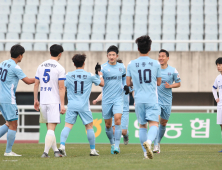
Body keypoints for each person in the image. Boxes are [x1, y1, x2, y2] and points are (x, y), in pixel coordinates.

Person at [59, 54, 104, 156]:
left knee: (67, 126)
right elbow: (102, 83)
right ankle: (92, 150)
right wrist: (99, 74)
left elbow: (61, 87)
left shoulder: (68, 75)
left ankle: (62, 146)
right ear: (84, 63)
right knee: (89, 127)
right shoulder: (89, 75)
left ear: (74, 64)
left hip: (71, 105)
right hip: (84, 105)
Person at [126, 35, 161, 159]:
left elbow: (128, 83)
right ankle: (150, 142)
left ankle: (145, 153)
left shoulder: (131, 64)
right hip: (151, 98)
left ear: (138, 48)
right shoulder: (156, 63)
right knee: (154, 124)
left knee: (142, 125)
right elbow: (158, 82)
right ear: (150, 48)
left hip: (139, 99)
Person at [0, 44, 35, 156]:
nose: (22, 57)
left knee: (8, 123)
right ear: (20, 55)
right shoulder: (15, 67)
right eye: (22, 55)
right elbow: (28, 81)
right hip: (8, 99)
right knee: (14, 124)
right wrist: (40, 78)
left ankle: (8, 151)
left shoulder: (2, 63)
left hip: (1, 97)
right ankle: (8, 151)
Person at [34, 44, 66, 158]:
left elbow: (36, 84)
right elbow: (62, 87)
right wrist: (62, 104)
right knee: (51, 129)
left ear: (50, 52)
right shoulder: (60, 68)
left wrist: (35, 100)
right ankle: (45, 153)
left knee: (49, 128)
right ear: (60, 54)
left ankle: (56, 151)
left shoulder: (40, 66)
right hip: (53, 101)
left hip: (43, 101)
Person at [98, 45, 129, 154]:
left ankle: (116, 146)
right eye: (110, 55)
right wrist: (99, 75)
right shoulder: (103, 67)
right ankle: (112, 144)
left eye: (113, 55)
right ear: (107, 56)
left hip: (118, 98)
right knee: (107, 124)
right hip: (106, 99)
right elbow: (99, 82)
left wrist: (125, 85)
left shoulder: (121, 67)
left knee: (117, 120)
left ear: (117, 56)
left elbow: (124, 77)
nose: (111, 57)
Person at [93, 60, 131, 145]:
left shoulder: (124, 83)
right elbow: (103, 93)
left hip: (124, 108)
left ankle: (126, 135)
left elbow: (132, 90)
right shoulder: (111, 84)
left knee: (124, 132)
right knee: (113, 128)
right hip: (113, 106)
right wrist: (96, 100)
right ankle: (115, 145)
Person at [153, 49, 181, 153]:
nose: (160, 58)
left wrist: (170, 85)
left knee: (163, 123)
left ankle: (158, 142)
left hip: (167, 101)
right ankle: (155, 145)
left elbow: (178, 83)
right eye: (159, 56)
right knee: (155, 122)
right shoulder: (155, 70)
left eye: (163, 56)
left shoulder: (173, 70)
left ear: (167, 58)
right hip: (156, 100)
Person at [212, 57, 222, 153]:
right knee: (221, 125)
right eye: (217, 65)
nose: (218, 67)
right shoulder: (218, 78)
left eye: (220, 64)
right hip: (220, 106)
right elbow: (214, 88)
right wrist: (216, 98)